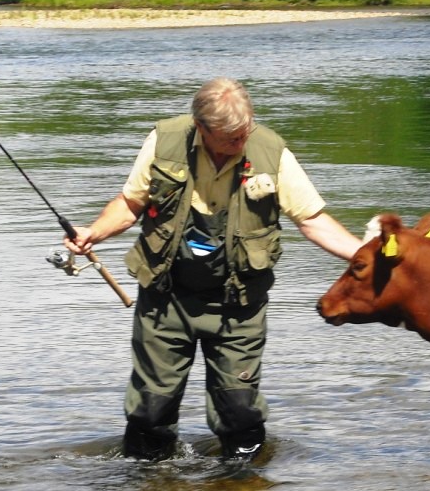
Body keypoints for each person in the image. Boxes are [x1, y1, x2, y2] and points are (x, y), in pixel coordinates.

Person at [64, 77, 362, 461]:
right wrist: (93, 232)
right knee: (150, 410)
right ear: (201, 129)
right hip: (165, 298)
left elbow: (312, 220)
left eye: (244, 132)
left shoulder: (271, 150)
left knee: (240, 411)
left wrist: (365, 256)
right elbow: (130, 202)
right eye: (230, 138)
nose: (240, 143)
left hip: (238, 304)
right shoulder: (165, 140)